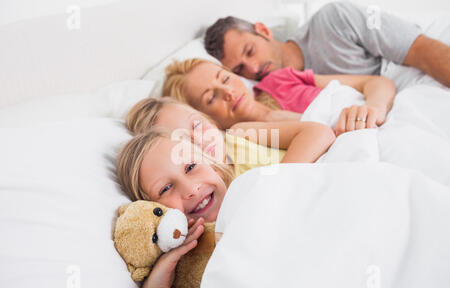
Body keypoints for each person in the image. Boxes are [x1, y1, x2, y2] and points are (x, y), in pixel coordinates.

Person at [116, 118, 335, 288]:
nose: (191, 189)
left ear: (214, 167)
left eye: (191, 167)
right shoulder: (188, 268)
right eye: (165, 188)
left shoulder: (252, 186)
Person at [204, 2, 450, 87]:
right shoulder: (273, 94)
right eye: (239, 70)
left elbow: (418, 49)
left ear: (264, 31)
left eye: (250, 51)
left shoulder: (332, 20)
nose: (254, 69)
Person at [163, 58, 395, 136]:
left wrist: (374, 108)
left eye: (224, 79)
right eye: (211, 97)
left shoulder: (280, 79)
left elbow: (376, 82)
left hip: (386, 121)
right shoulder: (242, 141)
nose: (229, 93)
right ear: (203, 116)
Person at [124, 96, 335, 177]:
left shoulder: (240, 134)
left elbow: (318, 132)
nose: (199, 140)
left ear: (212, 122)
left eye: (197, 124)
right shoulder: (207, 197)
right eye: (182, 141)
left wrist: (280, 182)